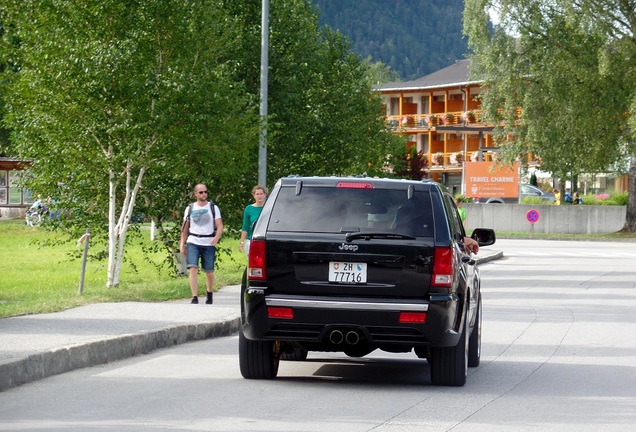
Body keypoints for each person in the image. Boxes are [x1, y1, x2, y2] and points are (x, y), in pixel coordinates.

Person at [180, 184, 223, 304]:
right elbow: (184, 228)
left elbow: (220, 225)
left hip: (208, 242)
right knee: (193, 268)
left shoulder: (213, 207)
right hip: (193, 241)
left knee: (209, 271)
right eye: (201, 192)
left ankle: (209, 292)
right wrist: (182, 243)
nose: (204, 194)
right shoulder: (190, 208)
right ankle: (195, 297)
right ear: (195, 194)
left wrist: (217, 237)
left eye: (205, 192)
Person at [238, 185, 267, 256]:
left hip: (265, 240)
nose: (259, 196)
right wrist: (242, 242)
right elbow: (245, 227)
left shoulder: (268, 208)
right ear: (254, 195)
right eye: (257, 194)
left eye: (261, 194)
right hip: (252, 240)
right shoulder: (249, 209)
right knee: (251, 264)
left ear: (264, 195)